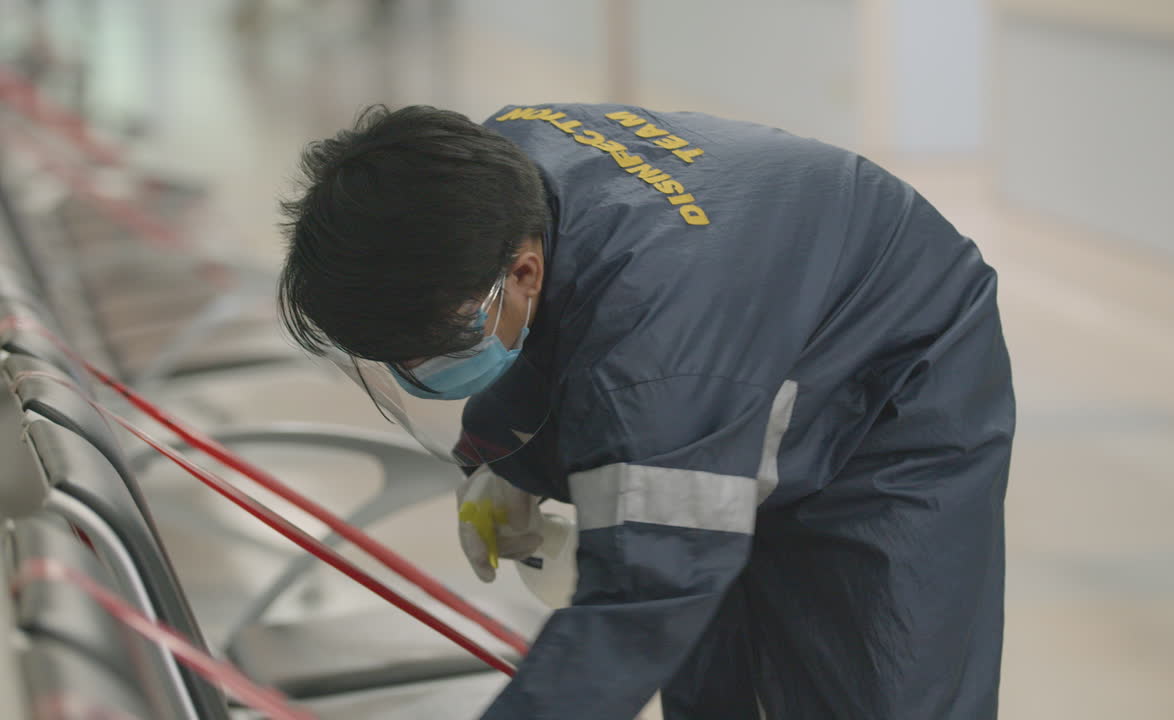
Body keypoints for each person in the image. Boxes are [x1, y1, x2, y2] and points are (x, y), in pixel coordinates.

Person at [276, 102, 1015, 719]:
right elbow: (563, 328)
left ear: (522, 269)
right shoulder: (475, 183)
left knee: (874, 676)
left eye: (436, 349)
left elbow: (642, 599)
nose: (420, 374)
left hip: (895, 376)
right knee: (717, 674)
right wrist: (500, 457)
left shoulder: (660, 358)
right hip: (741, 323)